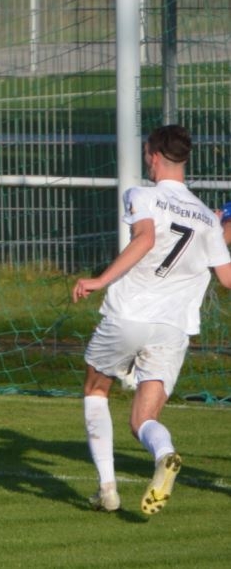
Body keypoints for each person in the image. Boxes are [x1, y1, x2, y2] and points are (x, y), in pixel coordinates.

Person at [71, 125, 231, 516]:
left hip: (129, 315)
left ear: (153, 156)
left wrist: (99, 280)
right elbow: (227, 279)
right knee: (143, 419)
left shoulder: (141, 195)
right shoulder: (207, 218)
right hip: (173, 328)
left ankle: (107, 489)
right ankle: (165, 453)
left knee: (96, 389)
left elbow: (144, 239)